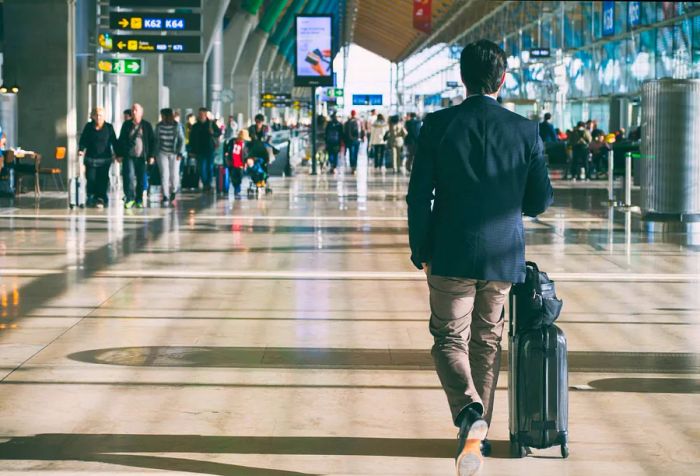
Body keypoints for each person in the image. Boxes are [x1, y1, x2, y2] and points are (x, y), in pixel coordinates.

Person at [406, 39, 553, 476]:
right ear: (502, 80)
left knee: (449, 339)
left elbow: (418, 197)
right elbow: (540, 199)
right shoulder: (526, 130)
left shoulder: (436, 125)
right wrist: (511, 203)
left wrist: (421, 250)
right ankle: (478, 437)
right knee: (486, 341)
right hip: (502, 253)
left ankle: (470, 415)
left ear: (462, 78)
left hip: (449, 251)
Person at [117, 103, 156, 209]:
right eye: (132, 110)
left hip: (142, 157)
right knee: (128, 177)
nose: (133, 112)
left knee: (141, 178)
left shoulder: (146, 125)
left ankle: (138, 199)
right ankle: (129, 198)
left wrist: (151, 155)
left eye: (136, 110)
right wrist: (119, 154)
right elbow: (121, 140)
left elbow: (152, 141)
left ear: (141, 112)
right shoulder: (126, 125)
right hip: (129, 156)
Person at [78, 107, 117, 208]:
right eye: (96, 115)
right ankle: (91, 195)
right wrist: (81, 149)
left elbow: (114, 141)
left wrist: (118, 153)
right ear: (93, 116)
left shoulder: (109, 127)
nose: (98, 117)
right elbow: (83, 139)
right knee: (91, 178)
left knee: (103, 179)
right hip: (90, 158)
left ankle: (101, 197)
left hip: (105, 159)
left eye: (101, 115)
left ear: (104, 116)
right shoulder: (88, 127)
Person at [155, 108, 185, 206]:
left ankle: (174, 190)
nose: (161, 117)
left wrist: (180, 153)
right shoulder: (158, 126)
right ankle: (165, 195)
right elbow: (155, 140)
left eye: (163, 115)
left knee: (174, 174)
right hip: (161, 152)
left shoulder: (177, 126)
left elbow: (181, 140)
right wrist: (154, 153)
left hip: (174, 152)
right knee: (164, 174)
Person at [189, 107, 221, 191]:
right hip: (199, 150)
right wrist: (191, 150)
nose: (200, 116)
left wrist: (213, 133)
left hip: (210, 149)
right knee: (201, 168)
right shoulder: (195, 126)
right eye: (199, 114)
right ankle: (205, 182)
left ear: (205, 115)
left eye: (202, 114)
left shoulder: (211, 124)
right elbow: (191, 138)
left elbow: (219, 132)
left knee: (209, 167)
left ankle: (208, 183)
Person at [224, 129, 250, 198]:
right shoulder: (232, 141)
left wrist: (246, 162)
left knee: (240, 176)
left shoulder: (244, 144)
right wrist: (226, 155)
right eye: (242, 139)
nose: (242, 140)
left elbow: (246, 154)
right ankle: (236, 188)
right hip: (232, 163)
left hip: (241, 163)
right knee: (233, 177)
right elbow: (226, 148)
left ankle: (237, 188)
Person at [343, 110, 363, 174]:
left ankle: (353, 167)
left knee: (351, 153)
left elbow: (345, 132)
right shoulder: (359, 121)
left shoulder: (348, 122)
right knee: (355, 154)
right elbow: (362, 130)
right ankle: (354, 167)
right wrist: (362, 137)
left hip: (350, 140)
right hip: (357, 140)